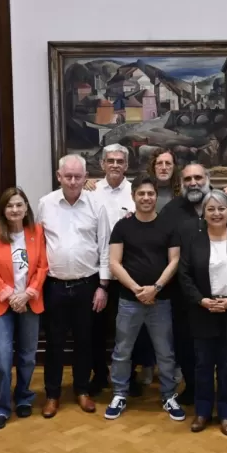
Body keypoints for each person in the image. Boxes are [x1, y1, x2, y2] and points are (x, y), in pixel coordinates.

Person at [160, 163, 227, 405]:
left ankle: (226, 396)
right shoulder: (171, 211)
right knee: (190, 349)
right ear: (181, 183)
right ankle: (194, 390)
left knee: (226, 354)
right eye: (188, 178)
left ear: (208, 179)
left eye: (198, 177)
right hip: (188, 295)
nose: (193, 182)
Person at [104, 174, 184, 421]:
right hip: (129, 300)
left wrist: (155, 288)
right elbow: (114, 262)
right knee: (122, 350)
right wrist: (138, 289)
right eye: (141, 194)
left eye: (150, 194)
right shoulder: (123, 226)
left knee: (165, 352)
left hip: (161, 300)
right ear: (133, 196)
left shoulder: (169, 225)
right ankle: (119, 393)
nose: (146, 198)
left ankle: (168, 395)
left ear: (156, 197)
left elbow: (175, 260)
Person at [37, 155, 110, 418]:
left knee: (84, 341)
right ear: (59, 176)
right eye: (67, 176)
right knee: (54, 343)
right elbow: (38, 245)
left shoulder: (96, 204)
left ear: (85, 176)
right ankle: (53, 395)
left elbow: (104, 246)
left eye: (78, 176)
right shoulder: (45, 204)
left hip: (87, 285)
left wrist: (103, 286)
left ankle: (82, 390)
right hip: (54, 286)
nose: (72, 181)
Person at [179, 190, 227, 436]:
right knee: (202, 365)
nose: (216, 213)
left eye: (221, 208)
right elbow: (185, 276)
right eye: (211, 209)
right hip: (203, 311)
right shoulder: (193, 241)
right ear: (203, 213)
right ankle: (202, 412)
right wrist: (201, 300)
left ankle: (225, 413)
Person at [0, 187, 48, 430]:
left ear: (26, 208)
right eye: (10, 205)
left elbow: (42, 266)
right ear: (3, 209)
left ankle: (24, 397)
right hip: (0, 303)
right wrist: (11, 296)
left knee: (28, 355)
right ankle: (0, 407)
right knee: (1, 356)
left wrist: (28, 293)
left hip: (30, 300)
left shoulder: (36, 232)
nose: (15, 209)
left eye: (19, 205)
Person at [88, 144, 135, 396]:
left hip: (130, 270)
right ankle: (99, 373)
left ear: (126, 165)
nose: (115, 164)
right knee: (97, 326)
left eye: (120, 161)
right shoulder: (91, 191)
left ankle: (130, 375)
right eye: (110, 160)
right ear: (102, 164)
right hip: (98, 271)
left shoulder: (135, 191)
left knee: (129, 328)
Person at [147, 147, 181, 212]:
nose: (164, 168)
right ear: (153, 167)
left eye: (168, 163)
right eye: (159, 163)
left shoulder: (183, 193)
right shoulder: (143, 192)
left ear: (174, 167)